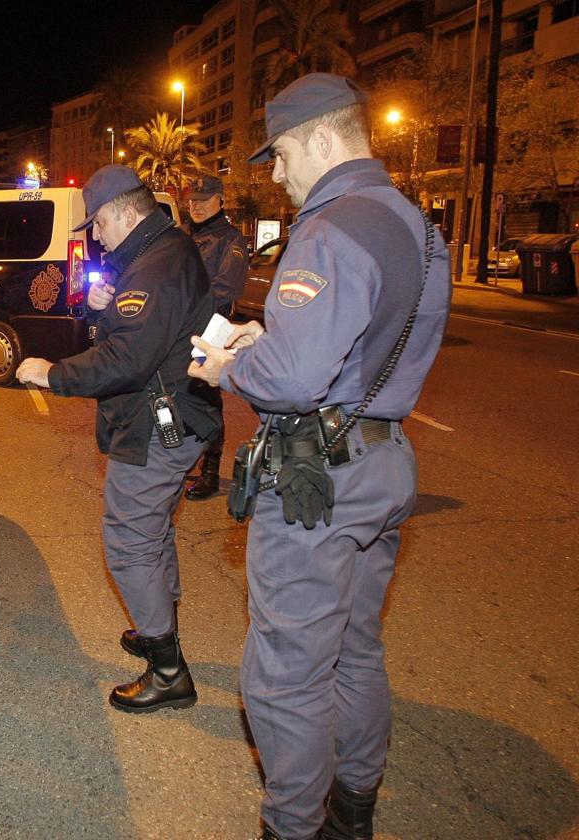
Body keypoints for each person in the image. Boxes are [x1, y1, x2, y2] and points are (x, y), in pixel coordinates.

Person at [188, 73, 450, 840]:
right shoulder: (420, 229)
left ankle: (293, 827)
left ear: (325, 140)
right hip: (383, 460)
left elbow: (297, 379)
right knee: (356, 649)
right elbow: (366, 350)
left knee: (288, 675)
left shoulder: (332, 227)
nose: (277, 175)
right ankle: (353, 812)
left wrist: (232, 364)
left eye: (282, 156)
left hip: (317, 480)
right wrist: (272, 341)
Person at [15, 164, 221, 714]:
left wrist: (52, 373)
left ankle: (168, 668)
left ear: (127, 213)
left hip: (158, 424)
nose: (97, 236)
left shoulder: (154, 268)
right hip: (179, 414)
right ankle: (160, 624)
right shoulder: (164, 252)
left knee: (129, 541)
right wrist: (106, 308)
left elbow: (128, 360)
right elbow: (144, 331)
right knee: (153, 530)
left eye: (100, 223)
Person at [183, 174, 250, 501]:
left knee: (206, 398)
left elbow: (228, 287)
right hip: (182, 328)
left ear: (220, 201)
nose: (196, 205)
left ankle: (210, 472)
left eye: (204, 199)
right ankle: (185, 460)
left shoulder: (230, 239)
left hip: (211, 331)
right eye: (193, 199)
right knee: (180, 393)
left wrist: (185, 302)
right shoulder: (185, 235)